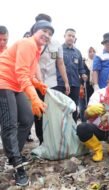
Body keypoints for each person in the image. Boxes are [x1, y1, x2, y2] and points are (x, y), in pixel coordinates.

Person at [0, 20, 53, 186]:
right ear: (34, 31)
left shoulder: (36, 50)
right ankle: (16, 164)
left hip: (15, 85)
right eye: (44, 31)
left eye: (50, 33)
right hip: (3, 82)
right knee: (10, 124)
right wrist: (34, 97)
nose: (47, 35)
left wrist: (37, 84)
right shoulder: (26, 43)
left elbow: (27, 74)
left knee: (27, 118)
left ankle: (13, 155)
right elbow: (22, 73)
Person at [32, 13, 70, 144]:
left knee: (51, 111)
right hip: (35, 83)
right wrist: (39, 81)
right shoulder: (31, 41)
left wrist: (66, 82)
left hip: (52, 84)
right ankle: (42, 139)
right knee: (38, 111)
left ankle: (52, 138)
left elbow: (60, 63)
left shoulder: (56, 44)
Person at [55, 28, 86, 122]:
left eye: (73, 36)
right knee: (60, 108)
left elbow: (81, 68)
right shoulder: (58, 49)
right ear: (64, 36)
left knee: (73, 107)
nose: (71, 38)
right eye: (69, 35)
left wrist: (83, 74)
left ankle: (73, 130)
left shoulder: (78, 52)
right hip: (60, 84)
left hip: (75, 84)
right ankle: (60, 131)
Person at [79, 46, 96, 121]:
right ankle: (83, 123)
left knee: (93, 106)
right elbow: (80, 73)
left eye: (93, 51)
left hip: (94, 87)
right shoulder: (83, 62)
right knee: (83, 107)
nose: (92, 53)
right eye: (90, 51)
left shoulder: (97, 62)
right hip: (84, 86)